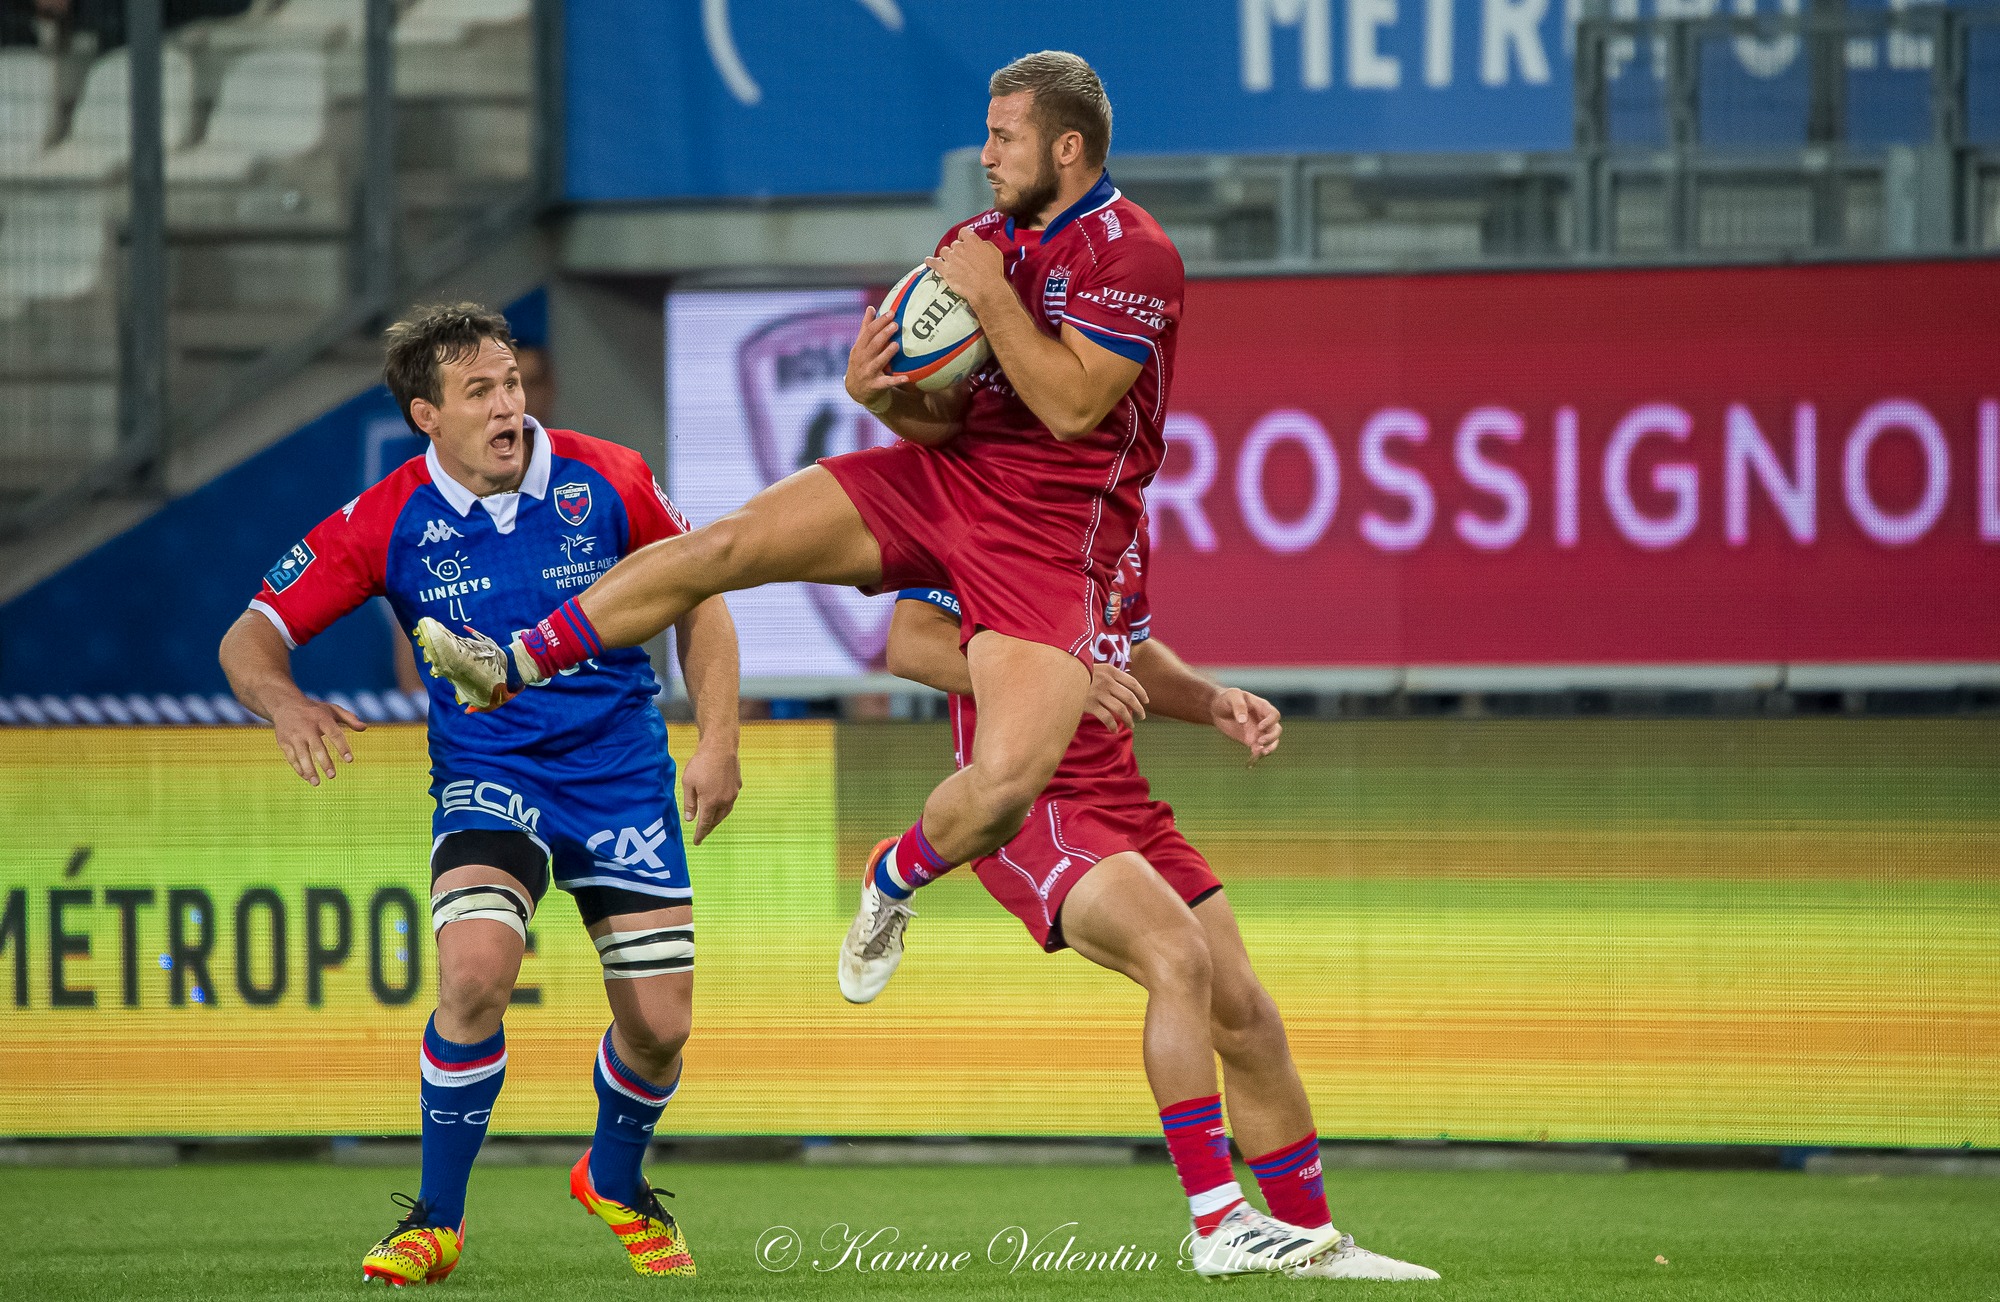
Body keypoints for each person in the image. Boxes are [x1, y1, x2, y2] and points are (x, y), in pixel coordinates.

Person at [411, 51, 1185, 1025]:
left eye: (1004, 137)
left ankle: (893, 876)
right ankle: (511, 663)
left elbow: (1074, 408)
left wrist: (988, 294)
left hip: (1046, 535)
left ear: (1066, 148)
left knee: (999, 790)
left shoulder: (1132, 254)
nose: (983, 153)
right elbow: (946, 422)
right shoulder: (972, 242)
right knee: (724, 545)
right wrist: (883, 397)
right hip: (943, 480)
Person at [217, 303, 741, 1284]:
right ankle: (435, 1220)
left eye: (511, 382)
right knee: (471, 973)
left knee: (661, 1026)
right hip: (489, 781)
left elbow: (701, 594)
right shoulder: (384, 520)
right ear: (428, 417)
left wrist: (717, 738)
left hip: (620, 777)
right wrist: (284, 705)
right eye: (481, 393)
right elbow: (249, 635)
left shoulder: (608, 476)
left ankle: (615, 1180)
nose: (510, 407)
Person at [873, 528, 1441, 1282]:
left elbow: (1129, 654)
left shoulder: (1120, 515)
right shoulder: (987, 509)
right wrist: (1063, 681)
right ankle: (1216, 1220)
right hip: (1030, 805)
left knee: (1246, 1014)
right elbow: (912, 645)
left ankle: (1311, 1244)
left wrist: (1212, 701)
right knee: (1178, 956)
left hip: (1123, 803)